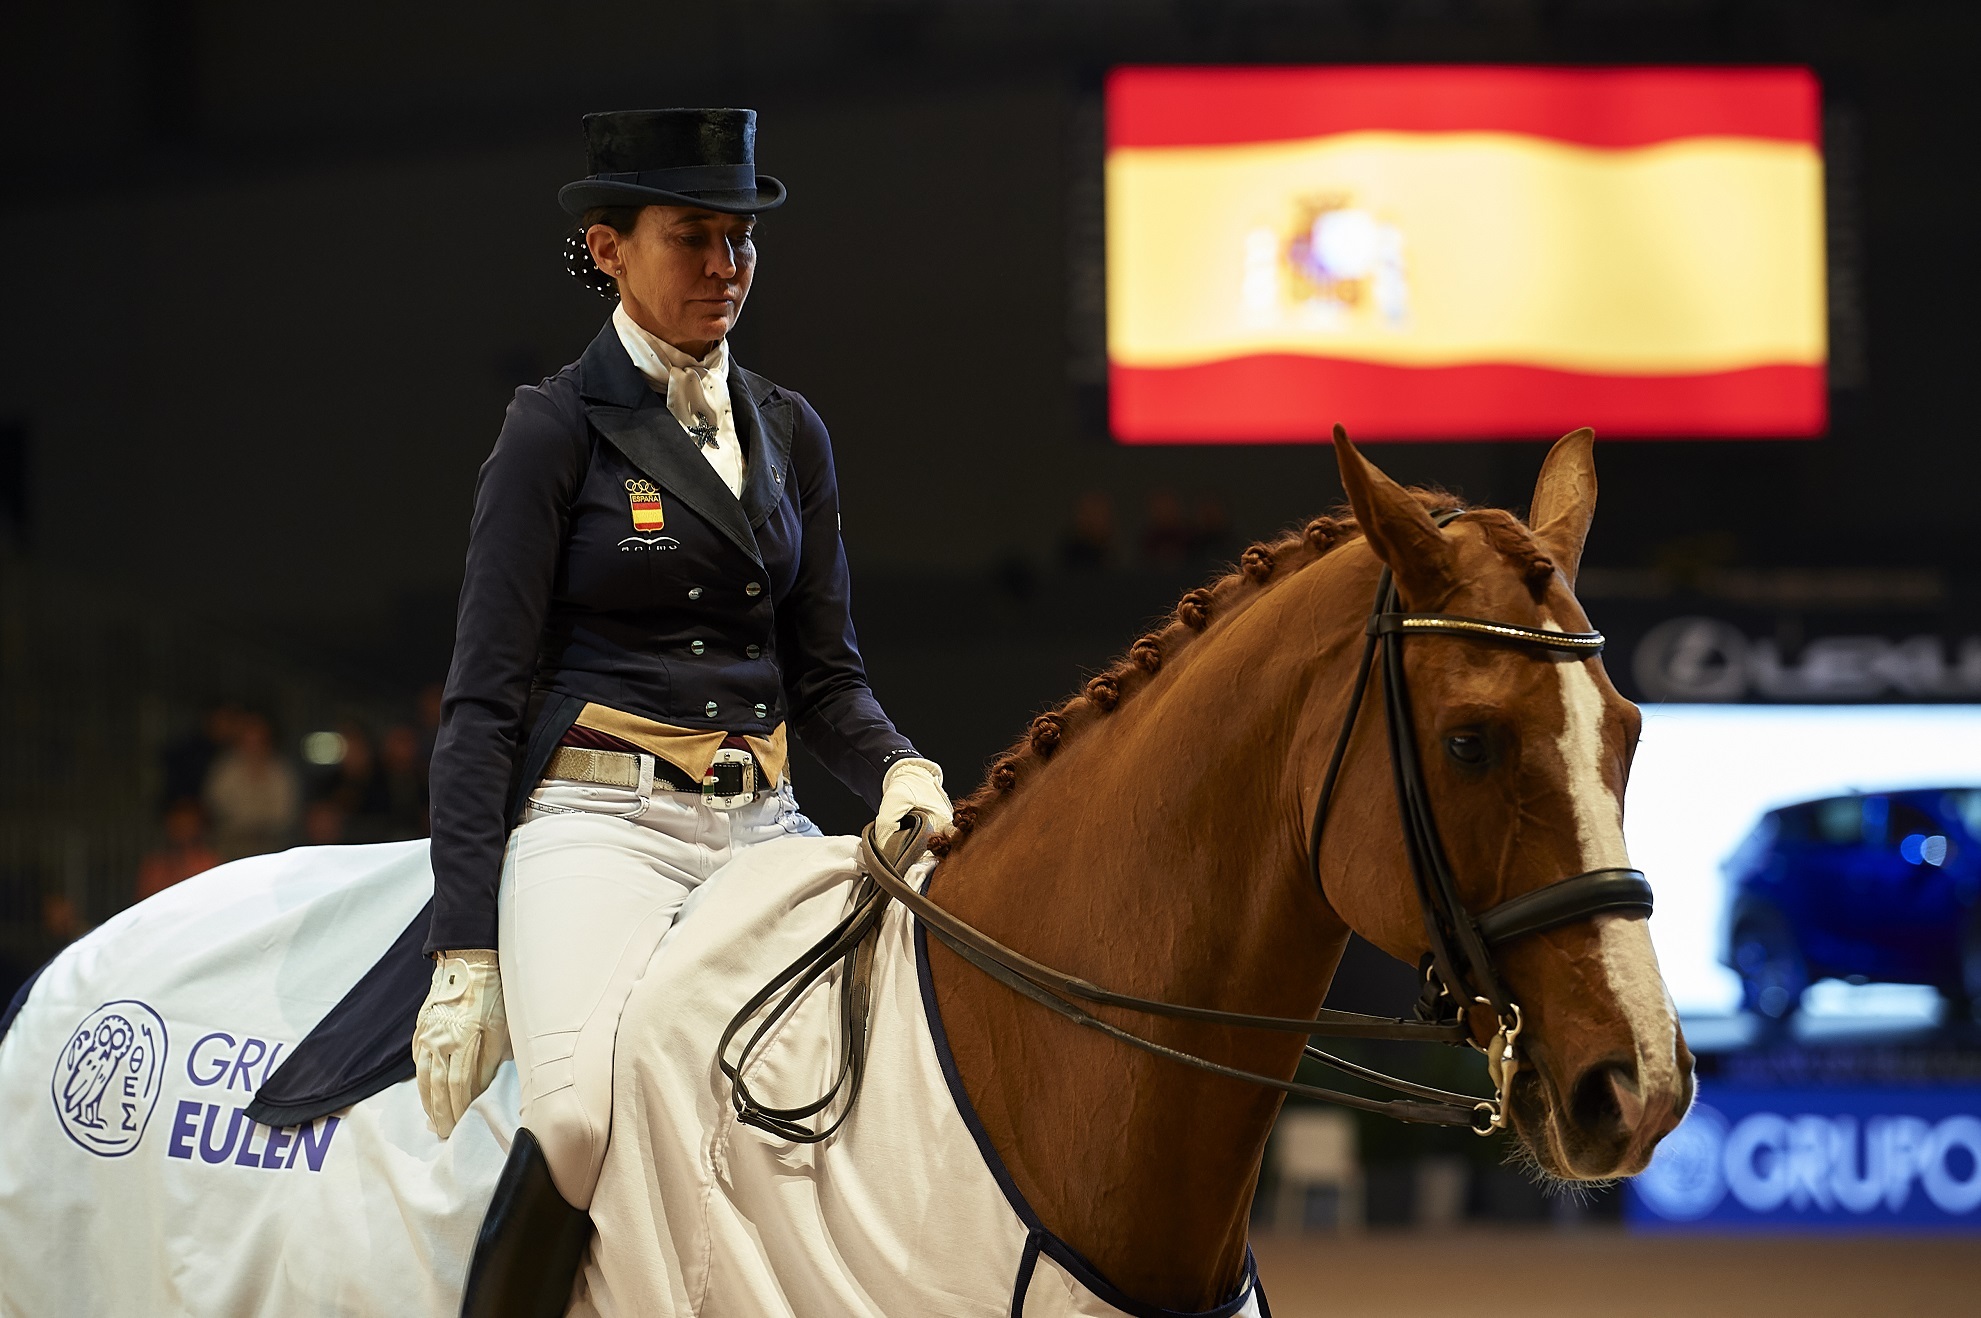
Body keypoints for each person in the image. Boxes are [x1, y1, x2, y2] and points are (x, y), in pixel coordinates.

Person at [413, 107, 952, 1302]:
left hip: (761, 829)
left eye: (743, 240)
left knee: (883, 1085)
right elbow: (484, 699)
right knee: (573, 1123)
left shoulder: (792, 428)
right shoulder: (552, 428)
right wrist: (465, 942)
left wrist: (902, 767)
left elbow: (825, 675)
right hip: (601, 828)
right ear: (607, 248)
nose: (726, 267)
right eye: (694, 238)